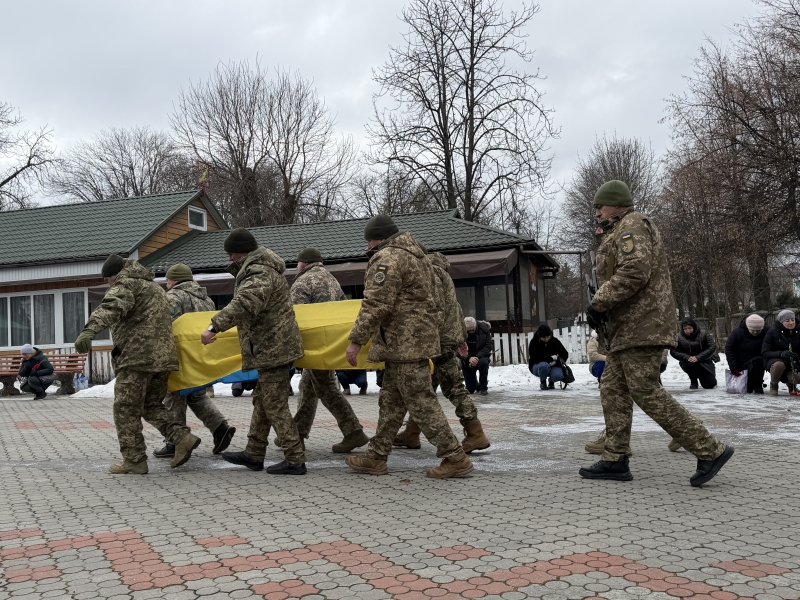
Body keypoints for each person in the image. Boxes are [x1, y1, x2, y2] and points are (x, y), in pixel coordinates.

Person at [580, 180, 733, 487]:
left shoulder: (632, 225)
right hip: (627, 328)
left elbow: (635, 270)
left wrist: (599, 302)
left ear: (617, 203)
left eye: (600, 205)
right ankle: (615, 458)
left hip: (642, 324)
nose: (596, 212)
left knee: (644, 390)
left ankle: (710, 449)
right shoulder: (619, 229)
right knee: (612, 387)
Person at [343, 214, 473, 478]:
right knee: (391, 404)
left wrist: (356, 341)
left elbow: (376, 303)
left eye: (369, 242)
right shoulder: (418, 256)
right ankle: (376, 456)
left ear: (379, 239)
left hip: (404, 345)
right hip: (410, 342)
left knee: (421, 403)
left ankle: (455, 458)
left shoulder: (389, 258)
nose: (368, 247)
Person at [74, 254, 200, 474]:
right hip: (163, 358)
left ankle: (134, 460)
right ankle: (182, 437)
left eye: (107, 279)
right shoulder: (155, 288)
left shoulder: (126, 284)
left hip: (137, 358)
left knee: (125, 408)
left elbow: (111, 307)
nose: (108, 284)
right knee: (150, 404)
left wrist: (89, 330)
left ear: (114, 275)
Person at [202, 228, 306, 475]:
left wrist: (214, 326)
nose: (229, 258)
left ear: (242, 252)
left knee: (274, 404)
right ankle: (254, 453)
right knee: (263, 400)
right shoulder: (260, 269)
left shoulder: (259, 272)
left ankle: (295, 458)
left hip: (273, 348)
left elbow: (245, 303)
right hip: (272, 347)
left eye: (231, 253)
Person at [394, 252, 490, 454]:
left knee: (453, 389)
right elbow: (456, 311)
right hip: (443, 344)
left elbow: (432, 311)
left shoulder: (432, 276)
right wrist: (461, 339)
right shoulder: (447, 280)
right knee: (426, 390)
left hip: (437, 345)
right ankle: (411, 433)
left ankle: (475, 434)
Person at [287, 247, 369, 453]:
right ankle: (297, 434)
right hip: (329, 344)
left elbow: (294, 317)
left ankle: (353, 431)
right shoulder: (332, 280)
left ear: (304, 263)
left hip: (313, 346)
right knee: (307, 387)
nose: (296, 266)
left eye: (298, 262)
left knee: (327, 389)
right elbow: (342, 310)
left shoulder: (302, 282)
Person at [153, 264, 236, 459]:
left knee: (174, 395)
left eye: (168, 280)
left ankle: (175, 442)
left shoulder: (173, 297)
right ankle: (220, 428)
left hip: (179, 356)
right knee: (196, 395)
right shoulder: (205, 298)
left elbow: (165, 326)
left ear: (174, 279)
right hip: (200, 355)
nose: (166, 283)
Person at [725, 313, 767, 394]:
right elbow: (730, 350)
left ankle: (758, 384)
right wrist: (734, 368)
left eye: (758, 330)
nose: (755, 332)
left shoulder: (767, 332)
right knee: (747, 389)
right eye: (752, 330)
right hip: (741, 363)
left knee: (758, 361)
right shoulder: (737, 333)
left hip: (759, 362)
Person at [670, 318, 718, 390]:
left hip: (704, 362)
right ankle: (693, 379)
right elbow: (673, 351)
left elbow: (712, 347)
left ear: (694, 327)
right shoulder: (678, 337)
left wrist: (698, 357)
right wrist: (687, 357)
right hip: (689, 362)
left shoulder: (704, 334)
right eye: (685, 329)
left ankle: (704, 377)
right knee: (690, 364)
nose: (688, 330)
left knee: (710, 385)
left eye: (690, 328)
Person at [762, 309, 800, 396]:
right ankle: (774, 386)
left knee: (797, 377)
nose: (791, 323)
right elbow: (765, 352)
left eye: (792, 320)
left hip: (795, 363)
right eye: (787, 321)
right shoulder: (772, 332)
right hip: (776, 360)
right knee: (779, 365)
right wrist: (781, 354)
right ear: (781, 322)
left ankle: (792, 384)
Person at [527, 324, 569, 390]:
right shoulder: (534, 342)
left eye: (548, 337)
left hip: (554, 365)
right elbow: (534, 357)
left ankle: (551, 381)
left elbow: (564, 354)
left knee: (558, 375)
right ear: (539, 336)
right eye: (544, 337)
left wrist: (557, 361)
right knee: (544, 366)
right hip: (538, 365)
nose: (546, 339)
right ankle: (543, 382)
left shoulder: (555, 341)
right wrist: (550, 358)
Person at [461, 317, 493, 395]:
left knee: (483, 363)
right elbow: (457, 349)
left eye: (473, 329)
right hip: (466, 358)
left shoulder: (484, 329)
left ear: (476, 325)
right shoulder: (459, 332)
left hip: (481, 356)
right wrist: (469, 358)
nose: (471, 332)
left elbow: (488, 345)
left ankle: (483, 387)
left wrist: (477, 357)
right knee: (471, 389)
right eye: (469, 330)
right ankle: (475, 384)